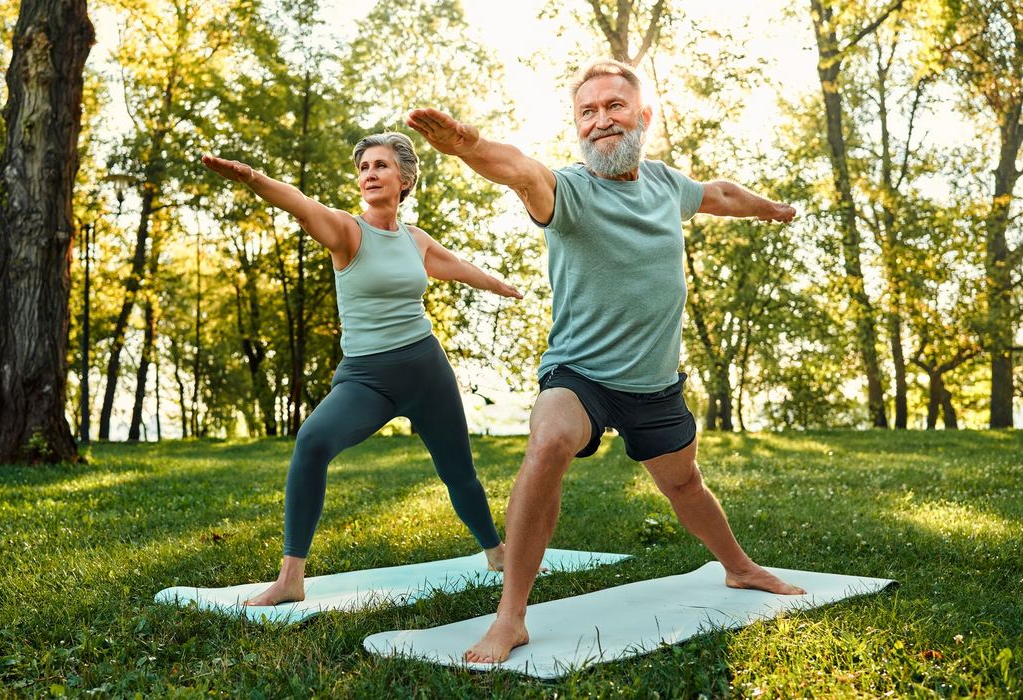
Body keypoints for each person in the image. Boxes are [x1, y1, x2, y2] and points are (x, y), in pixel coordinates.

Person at [406, 59, 806, 663]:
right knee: (548, 441)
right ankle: (510, 616)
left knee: (684, 485)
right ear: (577, 126)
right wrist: (470, 147)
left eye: (614, 107)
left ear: (643, 117)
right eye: (587, 112)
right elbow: (520, 172)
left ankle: (740, 568)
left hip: (653, 384)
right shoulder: (568, 191)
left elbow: (720, 193)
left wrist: (770, 208)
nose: (601, 121)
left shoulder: (667, 185)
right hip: (581, 376)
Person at [200, 132, 522, 606]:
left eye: (381, 166)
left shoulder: (415, 239)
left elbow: (455, 266)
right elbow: (302, 205)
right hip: (368, 378)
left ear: (405, 179)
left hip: (427, 371)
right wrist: (252, 178)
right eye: (364, 167)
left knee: (459, 472)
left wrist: (500, 286)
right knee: (312, 441)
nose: (369, 174)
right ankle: (291, 578)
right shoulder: (348, 232)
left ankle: (496, 552)